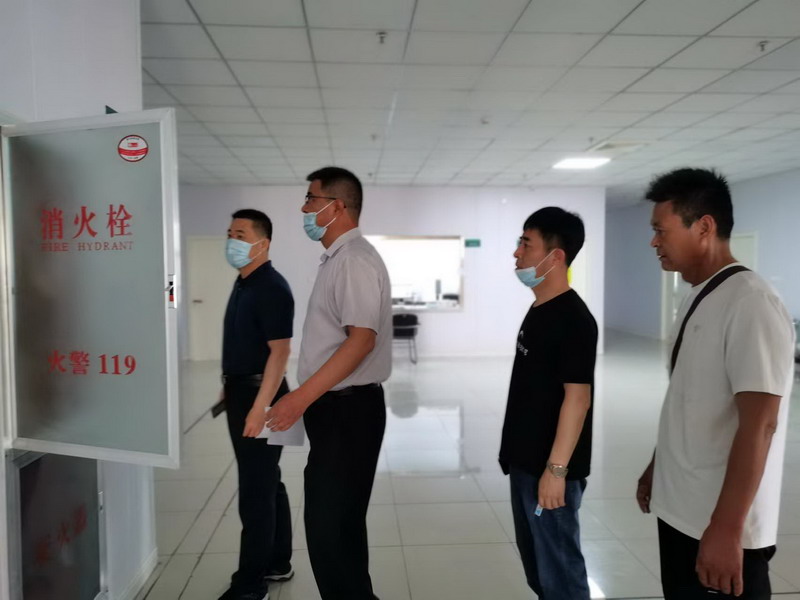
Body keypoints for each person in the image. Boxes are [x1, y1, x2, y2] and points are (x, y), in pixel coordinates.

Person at [636, 168, 795, 600]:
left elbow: (760, 424)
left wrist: (726, 529)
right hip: (682, 511)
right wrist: (659, 463)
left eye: (660, 231)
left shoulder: (752, 302)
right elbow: (690, 396)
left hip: (718, 526)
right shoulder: (699, 294)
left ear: (704, 227)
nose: (654, 242)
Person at [266, 167, 392, 600]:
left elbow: (360, 341)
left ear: (337, 206)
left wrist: (298, 398)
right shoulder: (338, 258)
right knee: (336, 527)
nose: (303, 208)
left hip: (348, 411)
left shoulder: (354, 260)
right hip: (336, 409)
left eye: (310, 199)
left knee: (330, 530)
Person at [498, 207, 597, 600]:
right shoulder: (540, 308)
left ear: (556, 257)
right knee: (540, 572)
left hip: (550, 472)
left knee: (561, 576)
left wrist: (556, 472)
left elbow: (578, 399)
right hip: (526, 463)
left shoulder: (574, 319)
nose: (517, 252)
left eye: (527, 244)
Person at [218, 209, 294, 600]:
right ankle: (278, 561)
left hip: (261, 396)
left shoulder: (272, 288)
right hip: (242, 391)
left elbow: (280, 354)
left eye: (241, 235)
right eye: (230, 233)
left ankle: (250, 586)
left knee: (255, 492)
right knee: (267, 481)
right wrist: (228, 386)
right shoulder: (244, 281)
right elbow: (242, 340)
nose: (232, 241)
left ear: (262, 244)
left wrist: (259, 407)